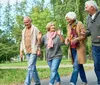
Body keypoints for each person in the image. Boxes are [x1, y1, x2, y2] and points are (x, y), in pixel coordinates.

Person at [65, 12, 88, 85]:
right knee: (79, 64)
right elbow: (68, 36)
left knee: (76, 65)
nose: (67, 20)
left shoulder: (80, 24)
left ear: (72, 18)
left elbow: (84, 36)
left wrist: (77, 39)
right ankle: (84, 81)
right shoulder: (68, 25)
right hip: (72, 48)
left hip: (79, 47)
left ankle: (72, 82)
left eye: (68, 18)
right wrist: (66, 39)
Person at [81, 1, 100, 85]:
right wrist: (85, 33)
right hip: (95, 46)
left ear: (92, 7)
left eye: (86, 7)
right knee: (97, 66)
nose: (85, 9)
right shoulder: (88, 18)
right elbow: (89, 30)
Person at [20, 16, 41, 85]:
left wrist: (39, 49)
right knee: (33, 68)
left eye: (27, 22)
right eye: (24, 22)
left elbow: (39, 40)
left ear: (30, 21)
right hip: (27, 51)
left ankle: (26, 83)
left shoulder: (35, 29)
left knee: (30, 66)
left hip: (33, 50)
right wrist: (21, 51)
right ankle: (37, 82)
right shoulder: (23, 31)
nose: (26, 24)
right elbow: (22, 41)